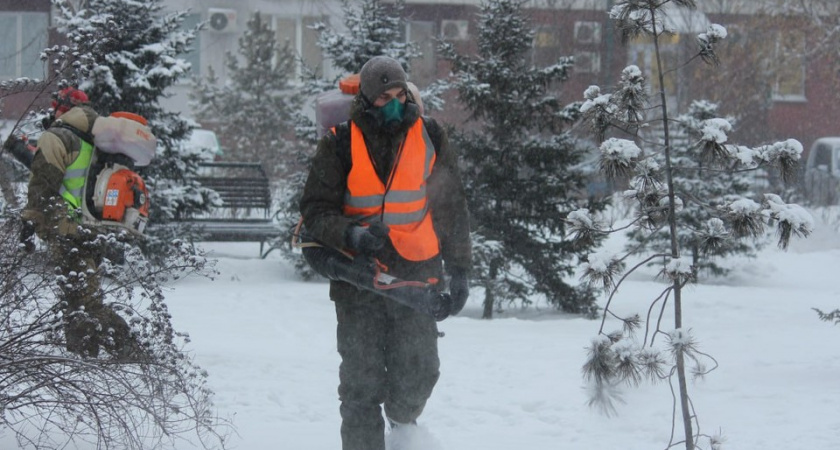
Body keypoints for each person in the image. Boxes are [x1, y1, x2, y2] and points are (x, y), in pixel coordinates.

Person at [299, 56, 472, 450]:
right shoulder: (339, 142)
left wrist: (459, 268)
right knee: (361, 387)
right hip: (359, 279)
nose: (394, 104)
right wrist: (352, 235)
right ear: (366, 98)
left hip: (417, 273)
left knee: (421, 373)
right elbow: (314, 210)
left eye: (400, 94)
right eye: (384, 98)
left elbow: (451, 206)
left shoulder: (430, 136)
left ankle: (401, 419)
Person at [20, 87, 138, 359]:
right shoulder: (96, 139)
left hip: (67, 227)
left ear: (61, 107)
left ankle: (129, 350)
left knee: (84, 300)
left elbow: (43, 184)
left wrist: (29, 220)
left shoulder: (57, 136)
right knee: (78, 295)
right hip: (94, 227)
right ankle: (82, 354)